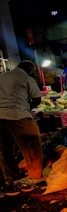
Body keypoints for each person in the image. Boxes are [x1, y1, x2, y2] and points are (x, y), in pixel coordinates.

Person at [0, 60, 44, 195]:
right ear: (30, 69)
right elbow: (37, 98)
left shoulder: (2, 76)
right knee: (32, 145)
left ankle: (9, 178)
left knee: (4, 148)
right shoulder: (26, 78)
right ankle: (33, 178)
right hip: (18, 114)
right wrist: (27, 107)